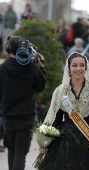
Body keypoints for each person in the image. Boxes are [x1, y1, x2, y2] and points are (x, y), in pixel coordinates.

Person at [39, 52, 89, 170]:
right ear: (69, 68)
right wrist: (46, 140)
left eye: (82, 65)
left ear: (86, 68)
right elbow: (56, 118)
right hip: (65, 141)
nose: (78, 69)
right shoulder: (60, 90)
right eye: (75, 65)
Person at [0, 36, 46, 170]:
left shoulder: (2, 68)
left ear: (8, 49)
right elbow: (40, 87)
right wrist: (41, 67)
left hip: (8, 116)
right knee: (20, 154)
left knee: (12, 151)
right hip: (26, 117)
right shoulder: (32, 68)